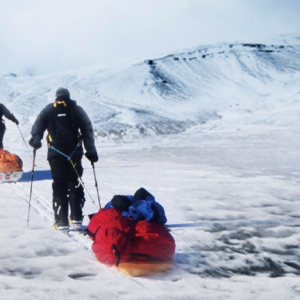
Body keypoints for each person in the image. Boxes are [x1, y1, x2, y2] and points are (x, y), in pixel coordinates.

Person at [29, 88, 98, 232]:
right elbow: (87, 131)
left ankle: (61, 223)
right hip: (74, 153)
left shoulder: (48, 110)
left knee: (59, 185)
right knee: (75, 183)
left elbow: (37, 128)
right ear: (68, 96)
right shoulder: (77, 110)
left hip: (55, 154)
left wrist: (36, 140)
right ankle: (77, 219)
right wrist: (91, 151)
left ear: (56, 97)